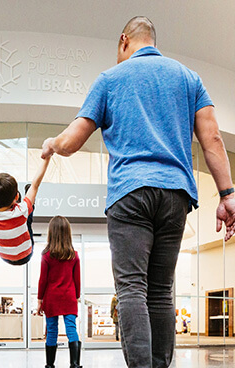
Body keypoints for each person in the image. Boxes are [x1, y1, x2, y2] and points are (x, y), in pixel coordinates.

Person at [41, 16, 235, 368]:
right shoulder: (189, 78)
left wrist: (51, 143)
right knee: (161, 291)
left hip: (129, 193)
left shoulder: (110, 79)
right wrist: (227, 195)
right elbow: (213, 139)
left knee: (132, 288)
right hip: (175, 194)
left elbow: (72, 140)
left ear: (124, 41)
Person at [0, 156, 50, 265]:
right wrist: (47, 158)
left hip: (3, 255)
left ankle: (28, 201)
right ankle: (28, 202)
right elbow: (35, 184)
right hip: (25, 255)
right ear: (16, 196)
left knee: (25, 214)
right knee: (27, 220)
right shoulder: (21, 211)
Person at [37, 216, 82, 368]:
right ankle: (75, 364)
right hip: (69, 297)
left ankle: (50, 365)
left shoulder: (46, 256)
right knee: (71, 329)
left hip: (51, 298)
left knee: (51, 330)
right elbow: (77, 281)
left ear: (51, 233)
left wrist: (39, 300)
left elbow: (42, 280)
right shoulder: (74, 255)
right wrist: (76, 297)